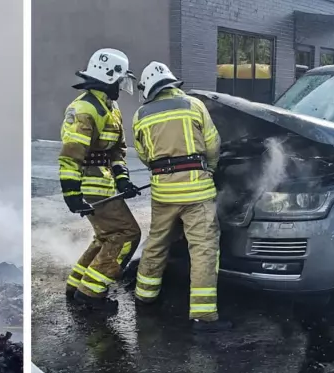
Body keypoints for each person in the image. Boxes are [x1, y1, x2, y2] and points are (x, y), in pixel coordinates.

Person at [131, 61, 232, 332]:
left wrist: (164, 172)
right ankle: (203, 315)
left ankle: (144, 296)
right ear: (172, 82)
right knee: (202, 249)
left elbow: (143, 155)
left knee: (156, 243)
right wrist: (208, 169)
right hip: (197, 192)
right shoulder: (193, 105)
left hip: (163, 193)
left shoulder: (141, 115)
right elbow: (213, 144)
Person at [59, 48, 142, 312]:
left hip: (105, 186)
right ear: (110, 76)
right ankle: (92, 295)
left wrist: (123, 180)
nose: (122, 87)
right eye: (121, 80)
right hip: (92, 186)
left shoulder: (110, 107)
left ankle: (76, 286)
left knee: (106, 235)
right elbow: (71, 156)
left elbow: (117, 151)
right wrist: (72, 194)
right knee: (127, 233)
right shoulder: (84, 108)